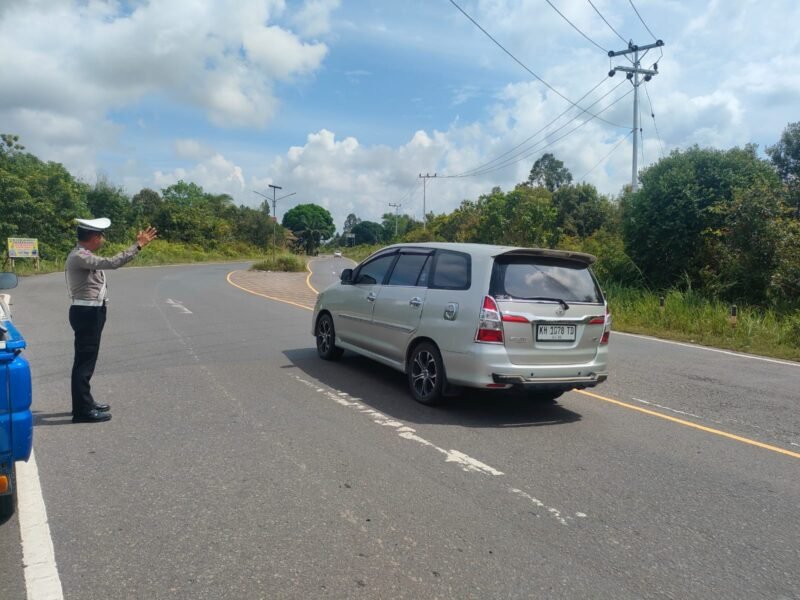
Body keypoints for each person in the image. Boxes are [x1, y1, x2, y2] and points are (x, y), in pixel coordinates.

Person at [65, 218, 157, 423]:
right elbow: (112, 263)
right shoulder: (80, 256)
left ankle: (84, 403)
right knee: (84, 363)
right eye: (101, 235)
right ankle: (82, 412)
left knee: (86, 361)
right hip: (87, 313)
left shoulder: (84, 254)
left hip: (90, 312)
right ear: (93, 238)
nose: (103, 239)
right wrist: (138, 246)